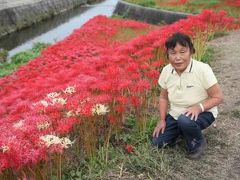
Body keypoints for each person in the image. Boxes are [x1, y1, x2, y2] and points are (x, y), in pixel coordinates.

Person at [152, 32, 223, 160]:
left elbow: (218, 97)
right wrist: (162, 120)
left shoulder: (202, 69)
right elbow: (163, 97)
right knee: (158, 143)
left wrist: (198, 107)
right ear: (167, 54)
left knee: (185, 120)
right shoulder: (166, 71)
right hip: (176, 115)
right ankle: (184, 130)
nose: (177, 57)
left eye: (182, 52)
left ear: (191, 51)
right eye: (173, 53)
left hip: (203, 112)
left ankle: (197, 144)